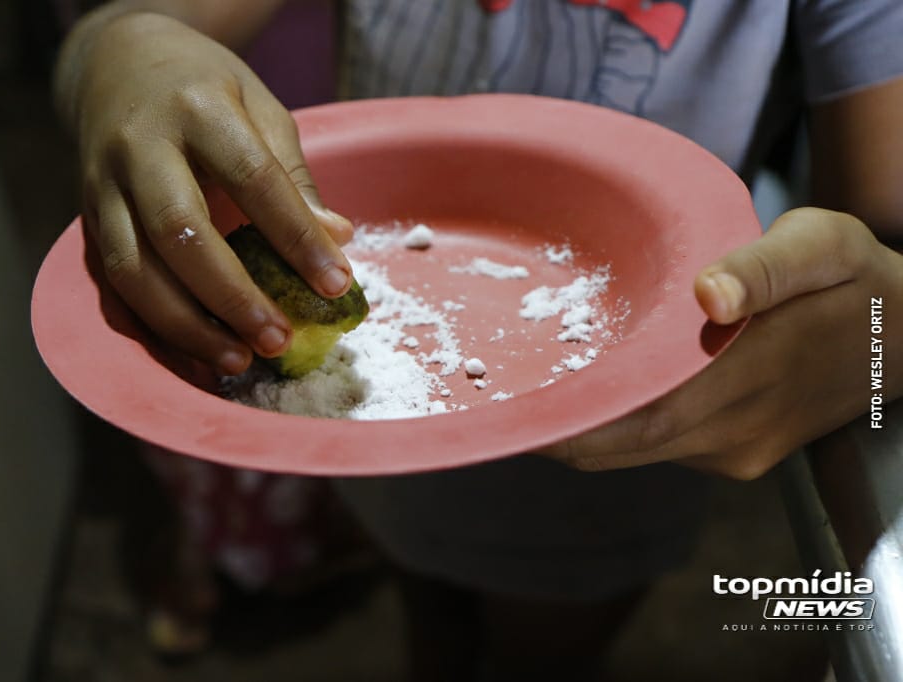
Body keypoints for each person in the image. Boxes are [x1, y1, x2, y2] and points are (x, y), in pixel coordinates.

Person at [54, 1, 903, 678]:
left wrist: (878, 335)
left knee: (546, 648)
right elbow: (127, 29)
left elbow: (879, 233)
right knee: (426, 596)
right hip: (387, 458)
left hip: (632, 454)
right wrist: (118, 47)